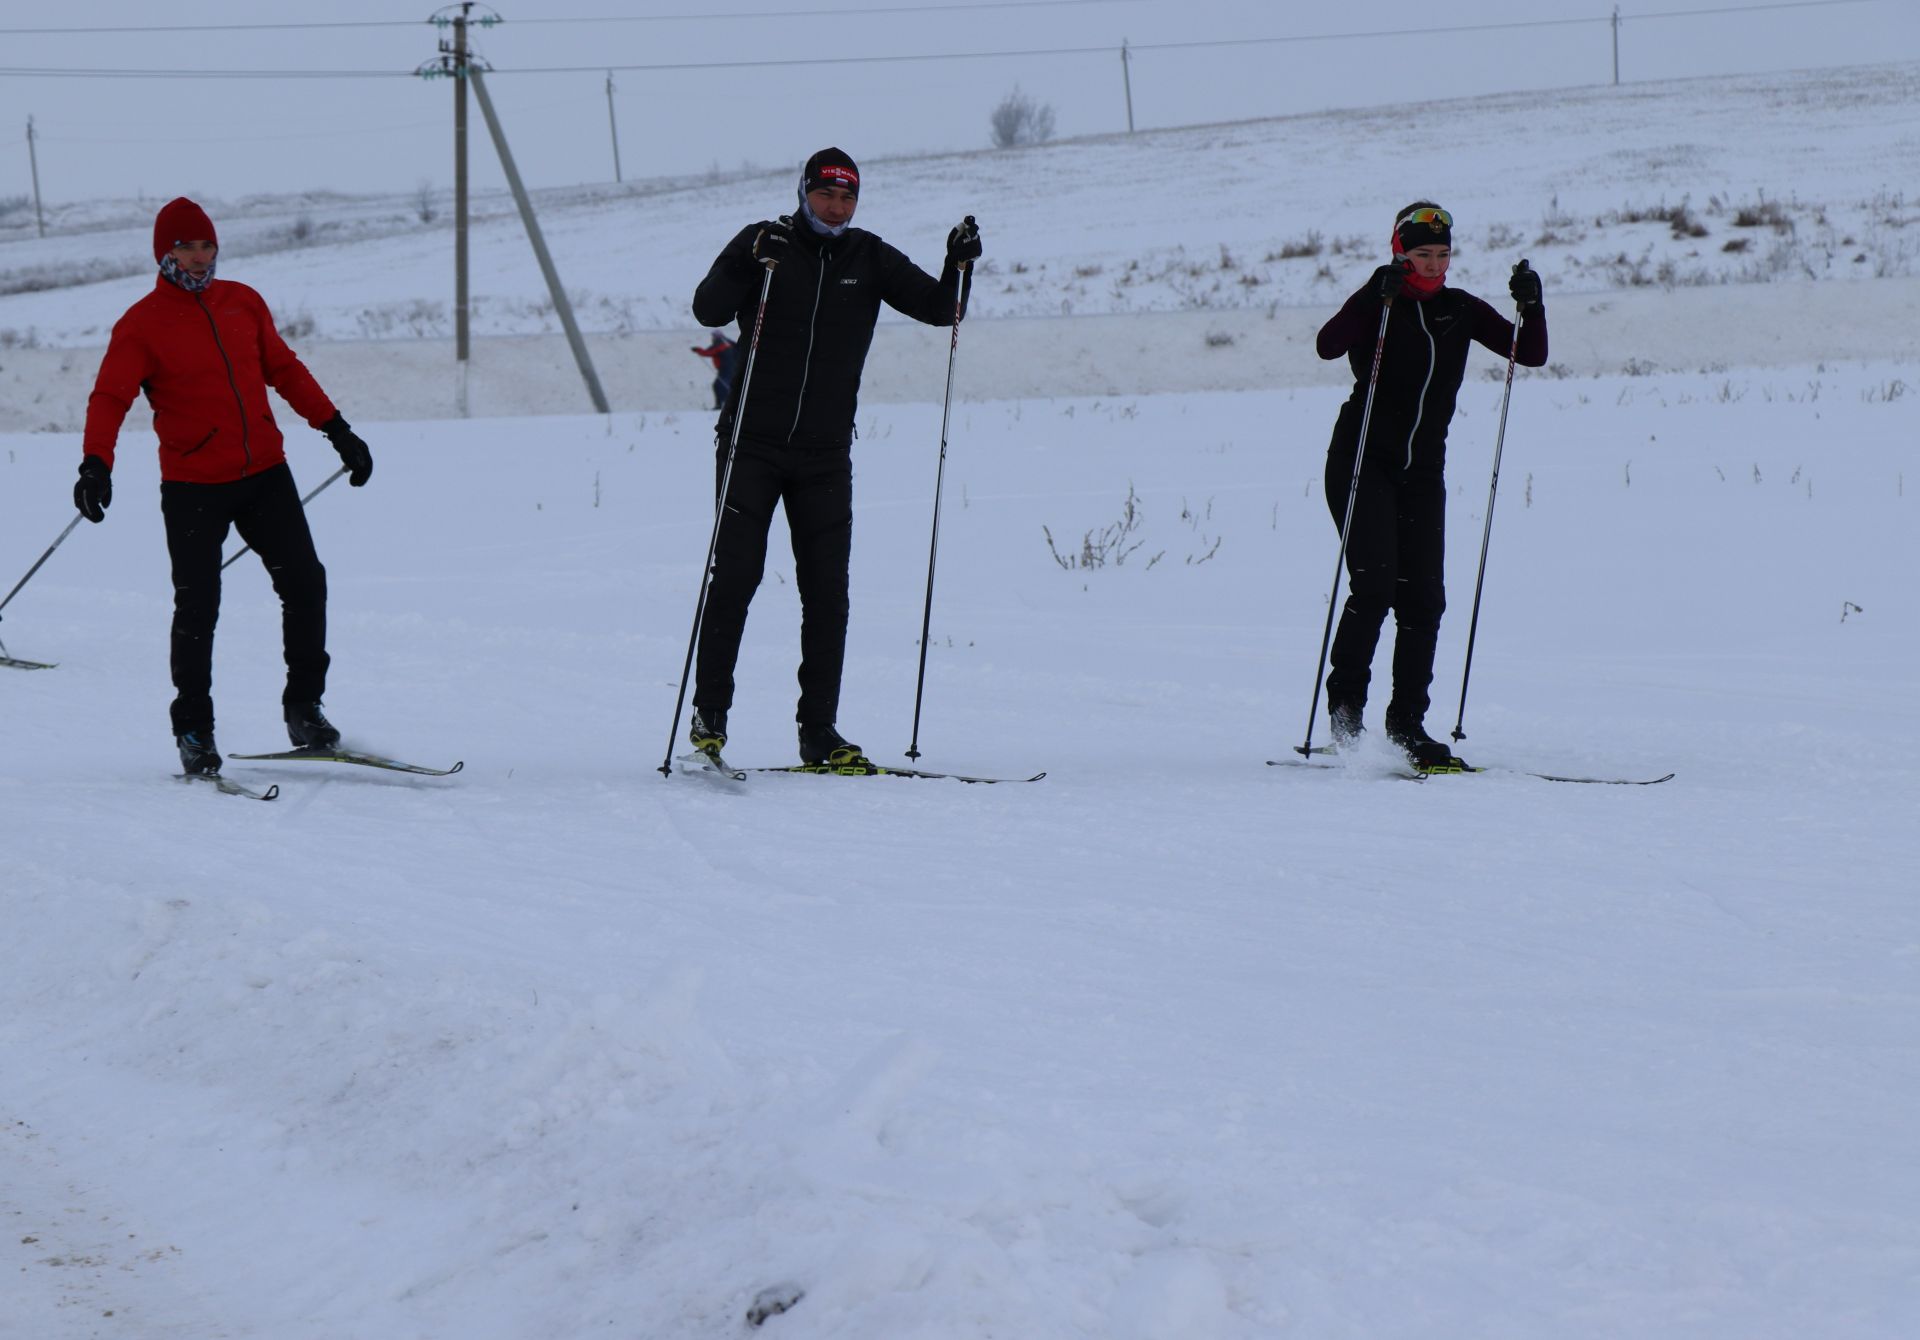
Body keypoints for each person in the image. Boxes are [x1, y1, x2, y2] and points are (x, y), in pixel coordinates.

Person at [687, 146, 981, 766]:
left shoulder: (867, 255)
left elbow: (940, 309)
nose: (836, 207)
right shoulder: (763, 241)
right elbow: (708, 308)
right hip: (751, 445)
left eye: (847, 197)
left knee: (827, 593)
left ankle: (818, 731)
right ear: (803, 192)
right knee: (736, 578)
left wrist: (957, 265)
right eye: (826, 194)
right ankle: (710, 721)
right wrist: (748, 262)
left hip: (823, 455)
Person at [74, 196, 374, 778]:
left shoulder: (243, 302)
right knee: (198, 608)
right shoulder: (141, 324)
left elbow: (283, 368)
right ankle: (193, 728)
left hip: (265, 474)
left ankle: (304, 708)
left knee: (306, 584)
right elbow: (110, 396)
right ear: (165, 253)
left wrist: (337, 429)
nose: (197, 256)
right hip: (193, 487)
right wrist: (95, 463)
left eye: (206, 244)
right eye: (185, 246)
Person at [1314, 201, 1547, 770]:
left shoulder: (1459, 310)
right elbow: (1327, 343)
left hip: (1422, 474)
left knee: (1424, 599)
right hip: (1361, 462)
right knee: (1373, 589)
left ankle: (1407, 726)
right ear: (1400, 252)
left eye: (1443, 255)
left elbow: (1530, 353)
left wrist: (1532, 305)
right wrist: (1376, 290)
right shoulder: (1382, 301)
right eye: (1422, 255)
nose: (1434, 265)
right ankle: (1345, 719)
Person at [690, 329, 740, 410]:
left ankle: (721, 405)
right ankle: (728, 404)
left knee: (718, 385)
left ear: (716, 337)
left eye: (713, 336)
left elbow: (708, 352)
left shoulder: (719, 343)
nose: (712, 338)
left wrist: (697, 350)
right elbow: (739, 350)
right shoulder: (729, 342)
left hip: (725, 369)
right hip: (733, 368)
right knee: (728, 385)